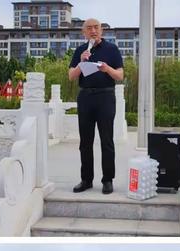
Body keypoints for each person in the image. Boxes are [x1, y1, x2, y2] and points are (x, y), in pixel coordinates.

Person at [68, 18, 124, 195]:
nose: (93, 31)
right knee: (85, 141)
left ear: (102, 30)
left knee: (106, 140)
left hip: (106, 96)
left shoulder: (112, 49)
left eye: (96, 28)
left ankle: (108, 180)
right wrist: (81, 62)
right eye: (89, 28)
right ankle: (86, 180)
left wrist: (107, 69)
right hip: (85, 96)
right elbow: (71, 76)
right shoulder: (80, 50)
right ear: (84, 32)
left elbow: (120, 75)